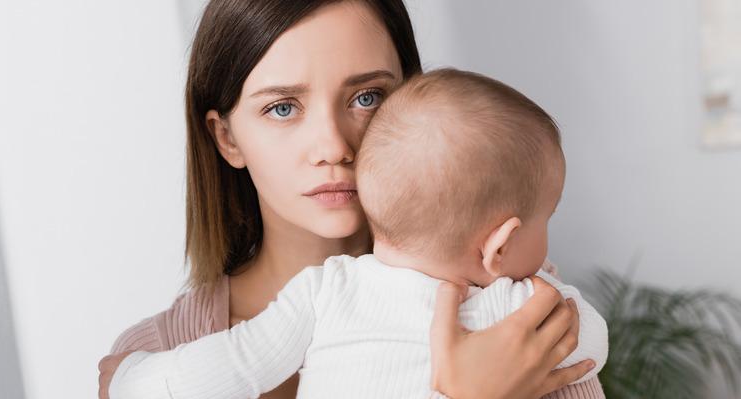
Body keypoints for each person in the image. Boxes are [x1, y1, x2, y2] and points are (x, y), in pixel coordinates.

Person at [97, 1, 604, 398]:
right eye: (282, 108)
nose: (334, 147)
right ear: (226, 137)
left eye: (367, 98)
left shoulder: (528, 322)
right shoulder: (157, 355)